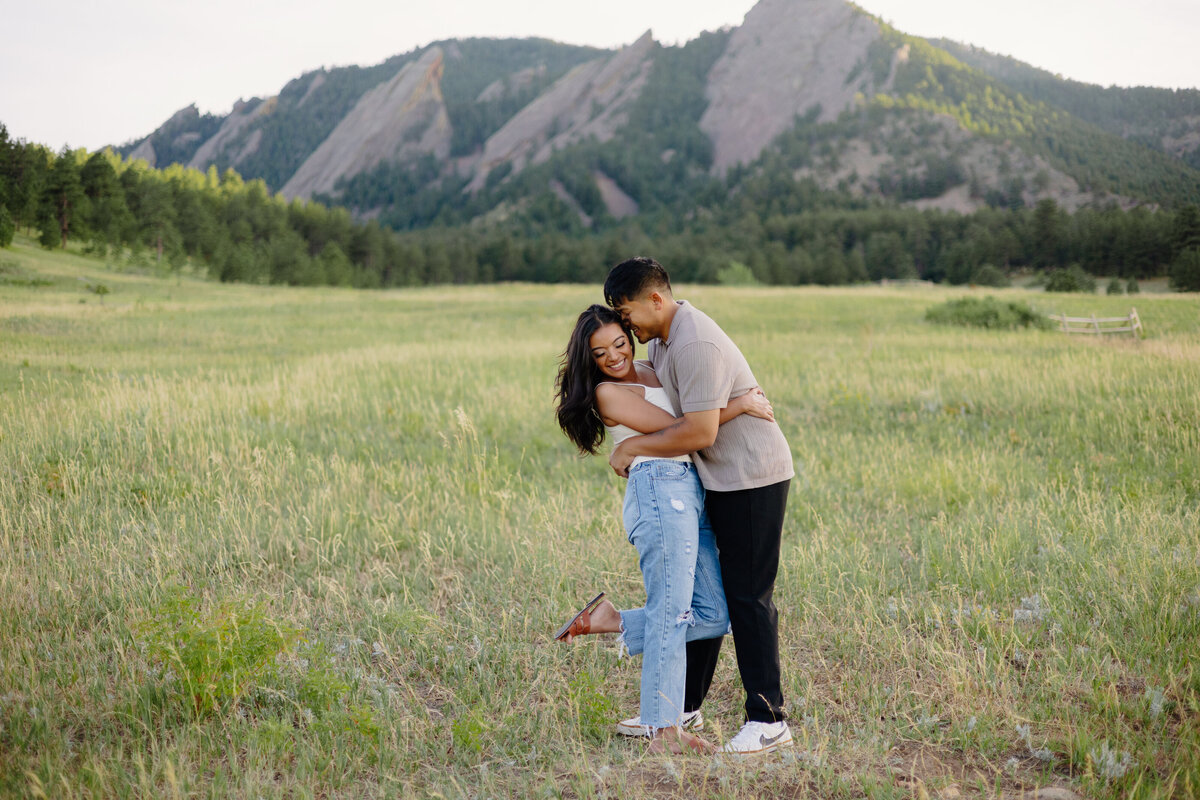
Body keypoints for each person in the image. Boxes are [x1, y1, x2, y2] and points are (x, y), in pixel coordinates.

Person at [553, 304, 775, 754]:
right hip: (659, 487)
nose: (614, 357)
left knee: (714, 612)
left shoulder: (652, 365)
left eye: (619, 343)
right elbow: (681, 427)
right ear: (589, 359)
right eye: (600, 353)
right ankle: (664, 732)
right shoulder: (607, 394)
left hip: (692, 488)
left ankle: (613, 621)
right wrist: (741, 404)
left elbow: (692, 413)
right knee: (672, 612)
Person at [602, 257, 796, 756]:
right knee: (702, 587)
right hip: (720, 477)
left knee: (748, 597)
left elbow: (700, 430)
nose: (627, 325)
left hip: (750, 476)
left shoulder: (693, 342)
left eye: (627, 314)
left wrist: (633, 447)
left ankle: (767, 718)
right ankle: (683, 706)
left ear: (656, 300)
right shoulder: (664, 341)